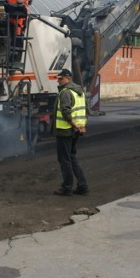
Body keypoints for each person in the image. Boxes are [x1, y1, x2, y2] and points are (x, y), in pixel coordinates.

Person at [52, 68, 89, 196]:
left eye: (61, 79)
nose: (59, 81)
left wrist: (75, 125)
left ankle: (67, 187)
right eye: (58, 79)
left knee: (64, 159)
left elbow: (66, 111)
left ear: (68, 78)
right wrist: (82, 126)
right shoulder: (80, 91)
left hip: (65, 131)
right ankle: (82, 185)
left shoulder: (65, 92)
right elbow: (86, 110)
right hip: (76, 131)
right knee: (72, 157)